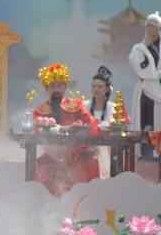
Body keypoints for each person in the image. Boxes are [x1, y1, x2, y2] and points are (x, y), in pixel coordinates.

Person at [33, 63, 100, 197]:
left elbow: (92, 127)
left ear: (65, 87)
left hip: (77, 157)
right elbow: (38, 135)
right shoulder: (40, 112)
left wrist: (82, 134)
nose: (56, 89)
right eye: (52, 86)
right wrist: (67, 129)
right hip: (51, 158)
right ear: (47, 89)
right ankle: (47, 207)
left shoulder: (77, 106)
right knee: (42, 170)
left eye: (59, 86)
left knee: (89, 165)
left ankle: (85, 205)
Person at [129, 11, 161, 160]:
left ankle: (157, 152)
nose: (151, 29)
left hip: (159, 89)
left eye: (154, 26)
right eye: (148, 25)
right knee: (144, 121)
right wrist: (145, 45)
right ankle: (145, 153)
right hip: (144, 89)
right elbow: (135, 63)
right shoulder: (139, 48)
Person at [83, 66, 115, 178]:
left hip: (104, 147)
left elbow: (110, 125)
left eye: (100, 86)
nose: (96, 89)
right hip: (86, 146)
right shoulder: (85, 105)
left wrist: (93, 124)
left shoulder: (112, 107)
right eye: (94, 86)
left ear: (107, 89)